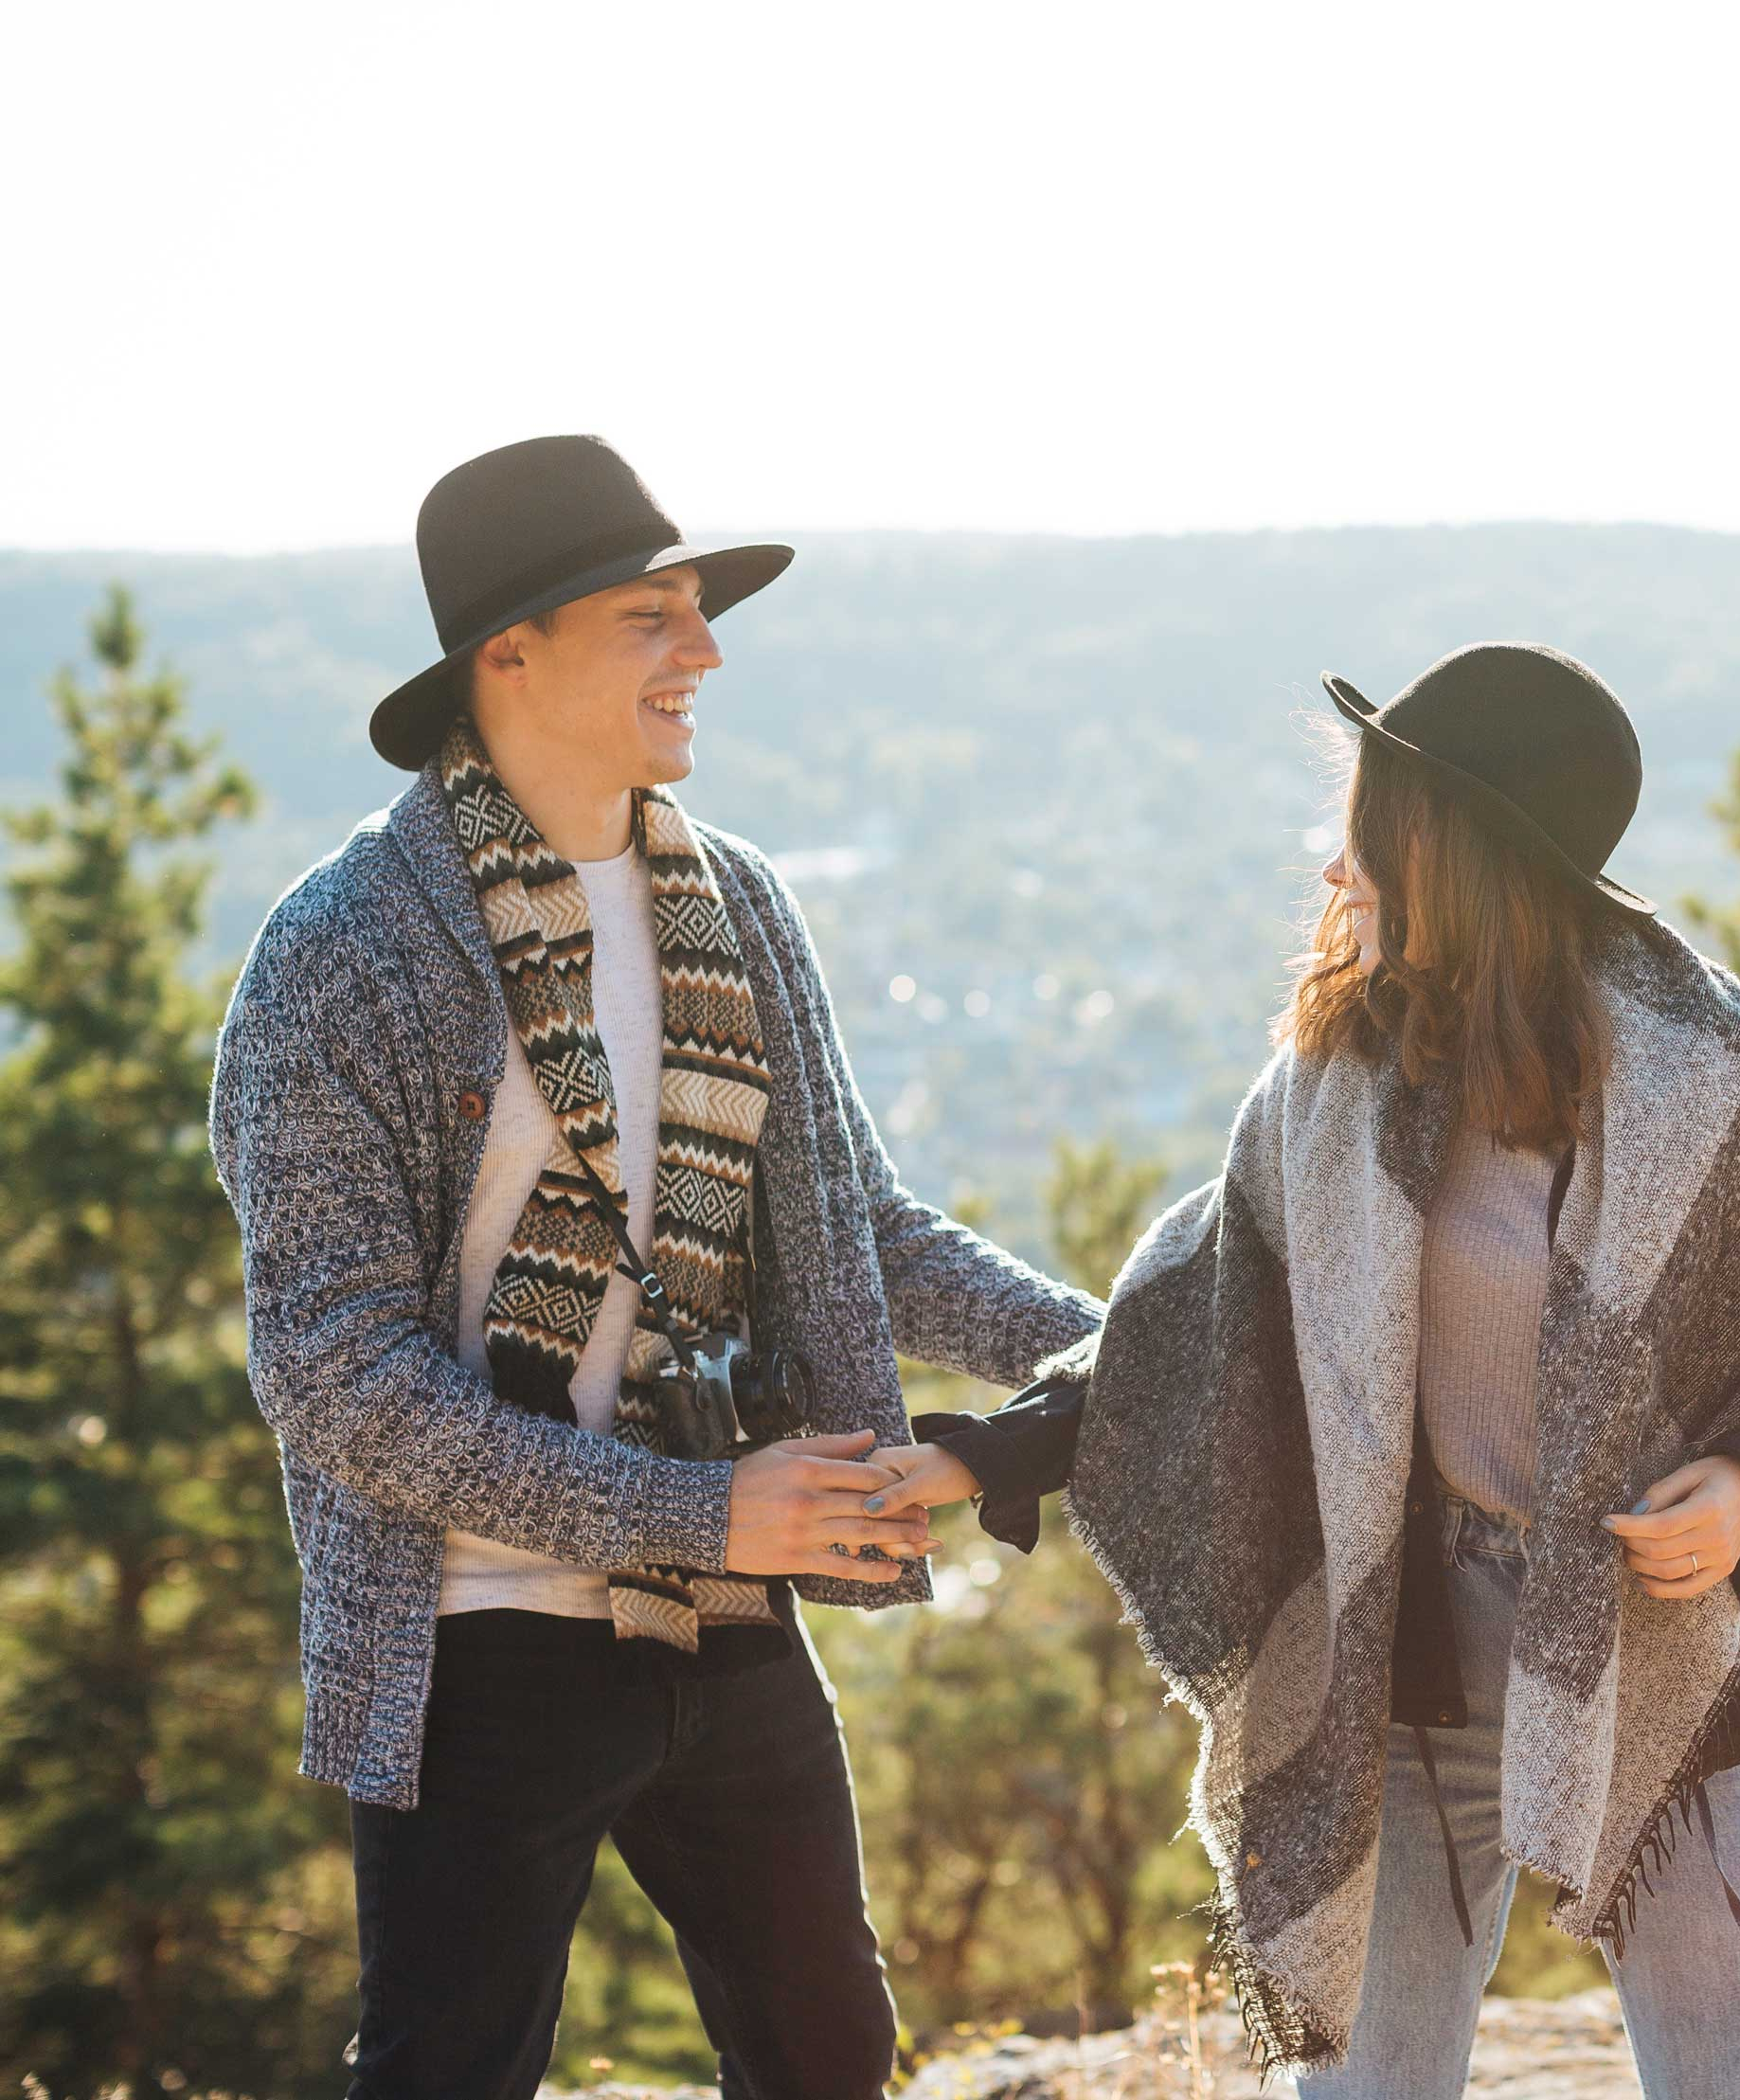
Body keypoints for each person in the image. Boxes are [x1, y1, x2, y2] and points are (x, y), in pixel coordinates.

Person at [870, 640, 1740, 2094]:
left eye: (1363, 834)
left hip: (1653, 1657)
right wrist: (988, 1452)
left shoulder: (1722, 1080)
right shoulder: (1334, 1082)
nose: (1332, 873)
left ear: (1457, 850)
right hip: (1404, 1651)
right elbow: (1187, 1319)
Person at [207, 435, 1103, 2097]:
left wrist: (1120, 1342)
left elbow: (858, 1230)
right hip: (474, 1640)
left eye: (698, 609)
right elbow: (332, 1375)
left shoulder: (736, 903)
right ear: (510, 653)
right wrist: (703, 1513)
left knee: (831, 2051)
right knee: (446, 2070)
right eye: (652, 615)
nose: (704, 650)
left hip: (727, 1614)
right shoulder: (338, 954)